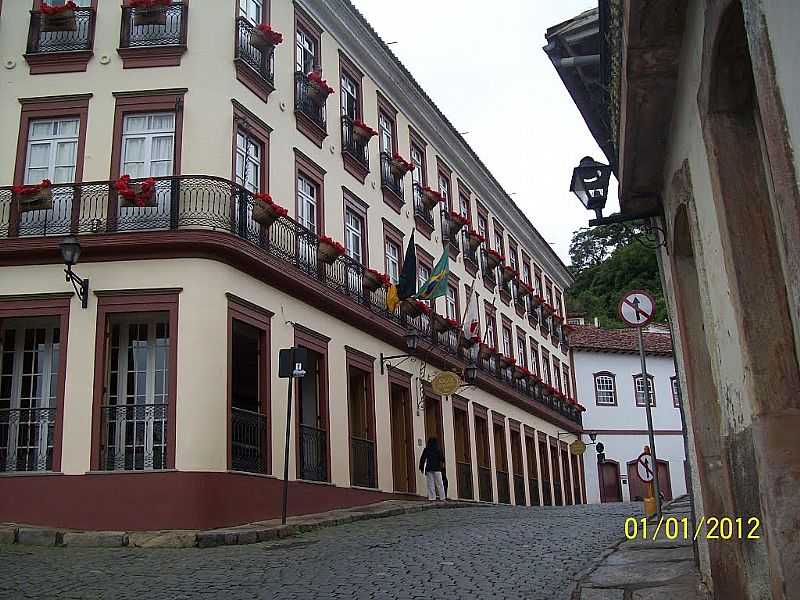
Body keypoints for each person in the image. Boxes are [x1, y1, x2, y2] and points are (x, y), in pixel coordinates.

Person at [419, 437, 446, 501]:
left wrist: (422, 467)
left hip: (429, 468)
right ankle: (442, 497)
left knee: (430, 484)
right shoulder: (437, 449)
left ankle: (432, 498)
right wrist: (443, 465)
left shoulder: (426, 449)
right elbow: (442, 458)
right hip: (437, 468)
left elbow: (422, 459)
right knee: (439, 483)